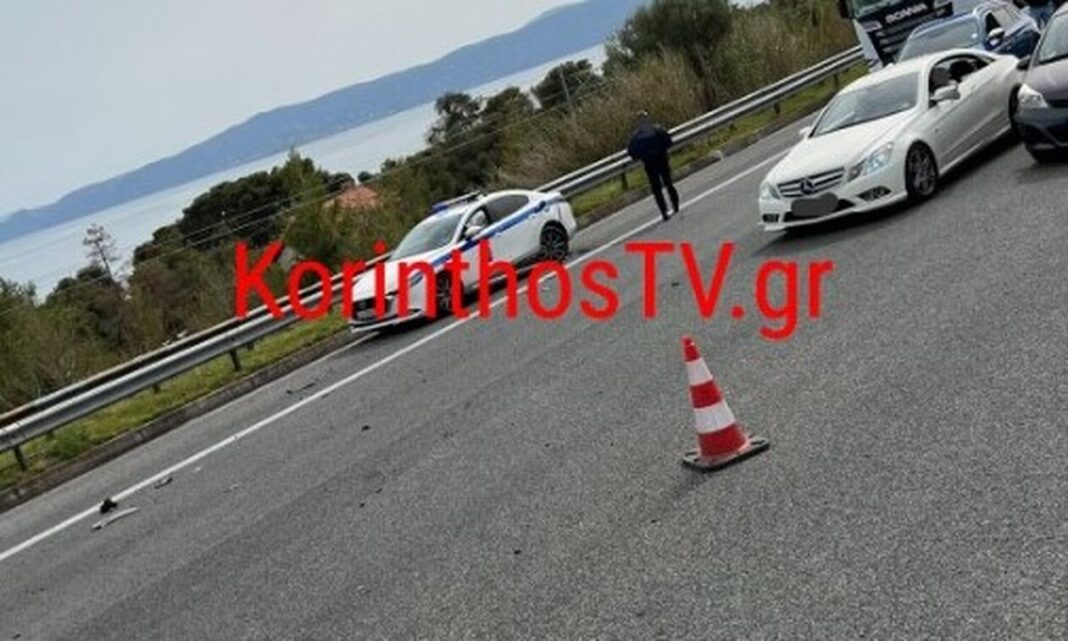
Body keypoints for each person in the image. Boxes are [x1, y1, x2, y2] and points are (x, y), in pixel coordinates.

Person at [627, 111, 680, 221]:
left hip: (657, 161)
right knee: (661, 186)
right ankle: (666, 210)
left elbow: (668, 141)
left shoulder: (652, 131)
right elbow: (632, 152)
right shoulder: (651, 131)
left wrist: (644, 155)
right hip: (654, 162)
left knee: (664, 185)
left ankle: (671, 207)